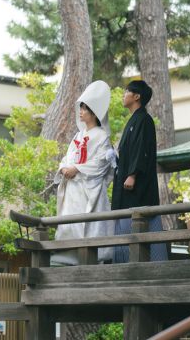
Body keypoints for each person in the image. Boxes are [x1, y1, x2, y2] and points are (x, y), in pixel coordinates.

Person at [52, 80, 116, 265]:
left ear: (94, 112)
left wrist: (77, 168)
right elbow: (68, 156)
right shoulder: (77, 136)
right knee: (69, 223)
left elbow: (101, 164)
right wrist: (64, 167)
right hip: (73, 188)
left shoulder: (102, 137)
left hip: (88, 188)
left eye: (84, 108)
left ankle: (91, 258)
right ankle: (66, 256)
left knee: (89, 226)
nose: (80, 112)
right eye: (80, 108)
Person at [111, 79, 168, 262]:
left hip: (136, 184)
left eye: (126, 92)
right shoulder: (134, 120)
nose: (123, 95)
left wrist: (132, 174)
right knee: (125, 221)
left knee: (140, 218)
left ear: (136, 96)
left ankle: (148, 263)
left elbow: (141, 149)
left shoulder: (144, 120)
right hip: (126, 183)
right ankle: (124, 263)